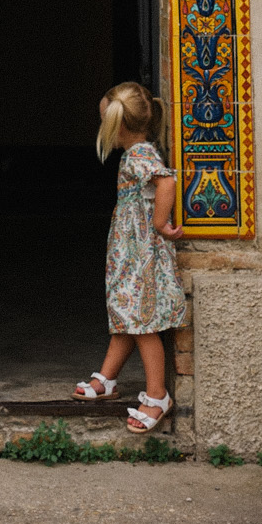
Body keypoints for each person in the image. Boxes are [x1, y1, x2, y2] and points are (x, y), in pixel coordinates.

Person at [73, 82, 185, 433]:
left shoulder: (138, 156)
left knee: (142, 324)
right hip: (131, 253)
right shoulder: (140, 151)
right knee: (128, 315)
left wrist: (159, 223)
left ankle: (157, 395)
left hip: (139, 254)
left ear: (118, 126)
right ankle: (107, 378)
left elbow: (166, 183)